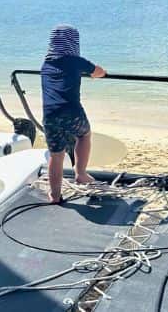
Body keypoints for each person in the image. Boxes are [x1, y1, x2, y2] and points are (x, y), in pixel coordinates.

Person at [40, 24, 106, 203]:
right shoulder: (76, 61)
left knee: (56, 154)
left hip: (50, 115)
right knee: (84, 135)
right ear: (74, 42)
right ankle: (81, 173)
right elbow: (100, 72)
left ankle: (54, 195)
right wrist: (93, 74)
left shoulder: (46, 64)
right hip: (71, 111)